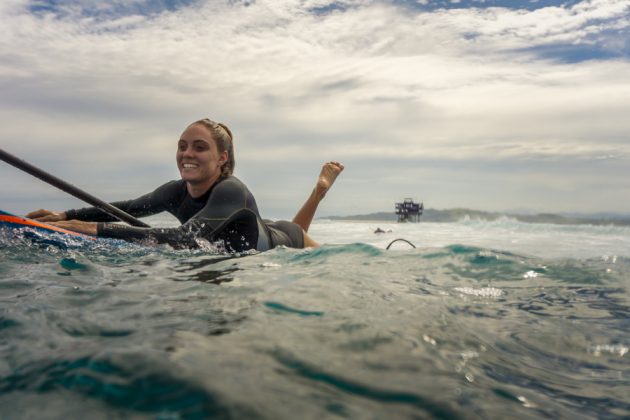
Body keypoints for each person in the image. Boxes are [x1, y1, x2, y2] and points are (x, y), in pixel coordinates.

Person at [27, 118, 343, 252]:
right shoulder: (174, 191)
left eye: (199, 147)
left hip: (283, 239)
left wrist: (89, 229)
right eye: (182, 146)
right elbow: (124, 210)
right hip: (254, 227)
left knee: (306, 249)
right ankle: (317, 195)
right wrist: (63, 214)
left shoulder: (232, 190)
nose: (187, 154)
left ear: (222, 158)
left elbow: (183, 237)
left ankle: (318, 193)